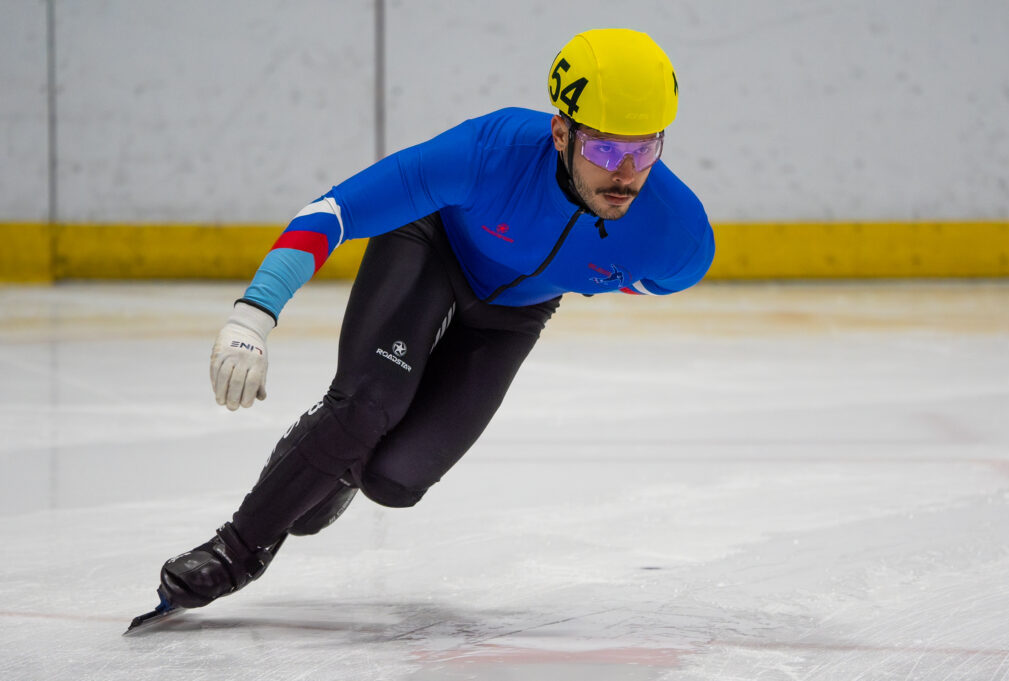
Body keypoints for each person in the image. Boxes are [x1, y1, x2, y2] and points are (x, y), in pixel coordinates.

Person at [156, 28, 714, 610]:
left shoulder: (678, 237)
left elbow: (640, 278)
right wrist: (254, 314)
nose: (624, 174)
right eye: (603, 150)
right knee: (367, 407)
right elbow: (335, 212)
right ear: (560, 132)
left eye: (643, 151)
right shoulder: (486, 154)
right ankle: (235, 552)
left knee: (394, 482)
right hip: (429, 248)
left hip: (512, 316)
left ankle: (333, 462)